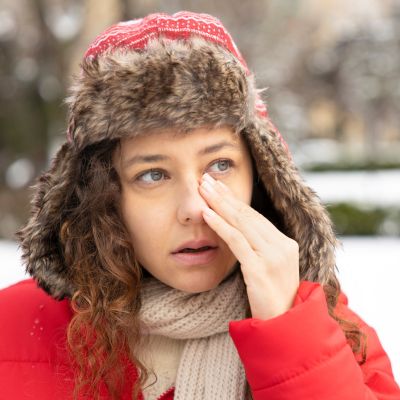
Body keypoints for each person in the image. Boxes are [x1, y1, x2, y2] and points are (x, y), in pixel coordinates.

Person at [0, 10, 399, 400]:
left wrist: (288, 329)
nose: (193, 208)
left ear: (262, 180)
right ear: (103, 198)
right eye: (153, 174)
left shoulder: (333, 330)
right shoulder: (13, 325)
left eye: (220, 165)